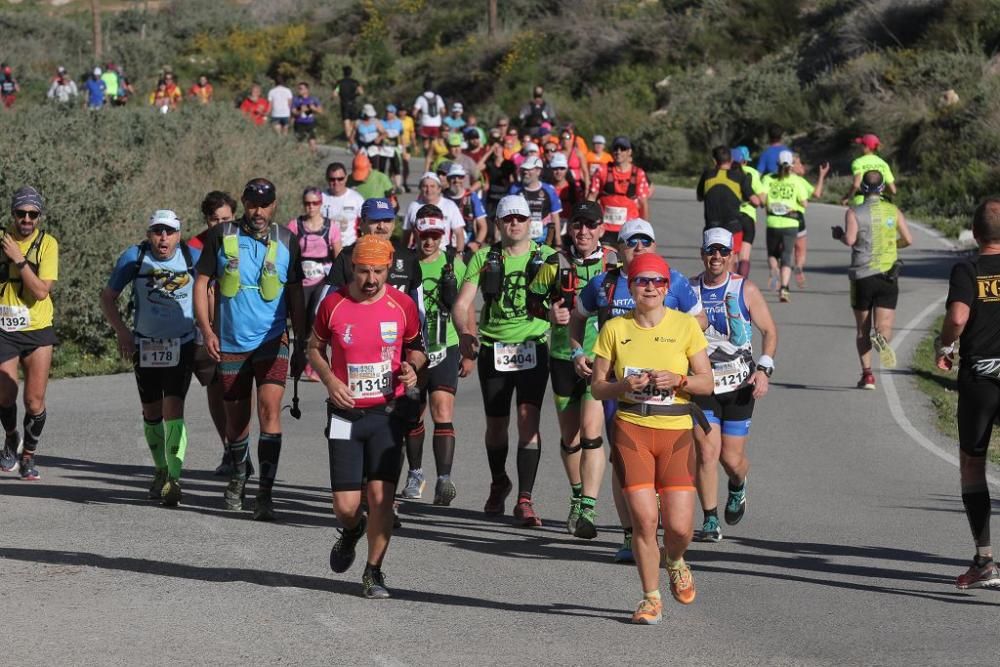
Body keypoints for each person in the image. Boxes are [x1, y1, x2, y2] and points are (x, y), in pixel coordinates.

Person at [572, 217, 706, 562]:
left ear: (655, 246)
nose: (639, 249)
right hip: (622, 387)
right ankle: (632, 535)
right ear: (619, 249)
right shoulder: (604, 282)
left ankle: (657, 531)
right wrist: (578, 352)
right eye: (632, 243)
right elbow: (578, 316)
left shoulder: (672, 280)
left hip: (667, 392)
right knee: (622, 461)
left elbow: (699, 320)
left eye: (645, 242)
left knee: (663, 468)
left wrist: (678, 349)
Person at [590, 251, 714, 625]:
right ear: (631, 285)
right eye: (642, 281)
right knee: (644, 522)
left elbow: (706, 383)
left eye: (657, 282)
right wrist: (623, 385)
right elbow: (597, 388)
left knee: (679, 528)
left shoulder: (685, 326)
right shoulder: (615, 328)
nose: (650, 288)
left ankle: (675, 559)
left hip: (676, 431)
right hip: (632, 429)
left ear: (666, 287)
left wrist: (678, 381)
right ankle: (650, 597)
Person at [310, 234, 425, 599]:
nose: (371, 279)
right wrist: (329, 380)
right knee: (346, 507)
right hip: (346, 414)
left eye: (378, 271)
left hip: (388, 414)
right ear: (351, 269)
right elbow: (314, 348)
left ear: (389, 268)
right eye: (363, 271)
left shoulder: (402, 305)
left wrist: (412, 368)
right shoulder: (333, 304)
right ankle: (351, 529)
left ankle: (373, 571)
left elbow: (417, 349)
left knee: (381, 500)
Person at [193, 179, 307, 521]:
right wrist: (207, 330)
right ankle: (240, 475)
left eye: (266, 205)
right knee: (237, 420)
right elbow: (201, 284)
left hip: (273, 341)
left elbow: (296, 295)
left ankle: (265, 493)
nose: (259, 212)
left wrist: (301, 342)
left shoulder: (288, 241)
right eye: (253, 204)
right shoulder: (221, 235)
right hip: (230, 343)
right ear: (244, 202)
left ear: (274, 205)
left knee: (270, 411)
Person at [452, 195, 555, 526]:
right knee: (496, 426)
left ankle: (525, 500)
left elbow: (571, 294)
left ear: (530, 223)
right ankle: (500, 481)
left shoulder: (549, 257)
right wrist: (465, 333)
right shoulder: (484, 257)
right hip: (494, 348)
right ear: (497, 224)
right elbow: (461, 302)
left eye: (520, 218)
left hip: (532, 346)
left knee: (528, 420)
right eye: (508, 219)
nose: (515, 224)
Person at [527, 202, 617, 538]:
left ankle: (588, 511)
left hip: (601, 359)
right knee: (571, 437)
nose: (583, 232)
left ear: (601, 229)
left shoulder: (613, 263)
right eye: (577, 225)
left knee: (592, 432)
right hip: (563, 357)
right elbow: (530, 299)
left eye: (590, 226)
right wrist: (549, 313)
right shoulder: (556, 262)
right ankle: (577, 494)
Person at [100, 210, 200, 506]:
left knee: (174, 410)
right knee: (152, 413)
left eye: (169, 232)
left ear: (179, 234)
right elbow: (107, 297)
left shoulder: (192, 257)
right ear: (149, 234)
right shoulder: (134, 257)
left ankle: (174, 478)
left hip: (181, 344)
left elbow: (211, 290)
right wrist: (122, 332)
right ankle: (160, 469)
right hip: (145, 346)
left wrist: (208, 329)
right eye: (157, 231)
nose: (163, 238)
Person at [690, 228, 777, 542]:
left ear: (731, 256)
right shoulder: (689, 290)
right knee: (706, 452)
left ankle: (738, 484)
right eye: (711, 251)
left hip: (740, 383)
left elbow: (769, 331)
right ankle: (710, 519)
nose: (716, 257)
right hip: (704, 382)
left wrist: (765, 369)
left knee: (731, 459)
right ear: (702, 253)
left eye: (723, 252)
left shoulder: (745, 289)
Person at [935, 197, 1000, 589]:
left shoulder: (969, 270)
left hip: (981, 377)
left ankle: (985, 561)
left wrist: (945, 346)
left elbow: (958, 317)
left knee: (973, 464)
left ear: (975, 233)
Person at [399, 206, 470, 504]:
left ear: (442, 235)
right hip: (414, 349)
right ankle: (416, 473)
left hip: (446, 344)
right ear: (415, 233)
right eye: (423, 235)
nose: (428, 241)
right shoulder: (404, 263)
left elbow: (465, 307)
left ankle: (444, 480)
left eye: (434, 236)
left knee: (443, 410)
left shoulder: (454, 264)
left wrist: (469, 346)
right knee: (413, 413)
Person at [832, 170, 912, 390]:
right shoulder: (893, 210)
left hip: (862, 277)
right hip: (888, 275)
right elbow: (908, 239)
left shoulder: (854, 212)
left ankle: (867, 375)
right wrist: (891, 245)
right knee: (883, 325)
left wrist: (838, 234)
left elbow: (850, 239)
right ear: (883, 188)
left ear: (862, 189)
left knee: (862, 329)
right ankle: (882, 340)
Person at [0, 187, 57, 481]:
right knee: (4, 394)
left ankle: (28, 456)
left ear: (38, 216)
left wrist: (18, 259)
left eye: (32, 214)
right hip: (3, 330)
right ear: (13, 214)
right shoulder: (2, 239)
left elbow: (40, 291)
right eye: (21, 213)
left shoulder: (47, 244)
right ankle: (11, 437)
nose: (26, 219)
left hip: (37, 329)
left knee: (34, 401)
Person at [188, 191, 237, 476]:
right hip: (205, 330)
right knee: (216, 388)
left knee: (238, 390)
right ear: (206, 220)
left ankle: (239, 446)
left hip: (238, 328)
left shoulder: (243, 240)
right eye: (214, 220)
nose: (220, 226)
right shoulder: (193, 247)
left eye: (226, 219)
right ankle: (229, 447)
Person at [326, 198, 423, 311]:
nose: (381, 226)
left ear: (393, 225)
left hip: (396, 328)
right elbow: (326, 305)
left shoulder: (408, 258)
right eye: (375, 220)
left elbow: (418, 309)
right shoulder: (346, 256)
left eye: (387, 220)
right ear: (362, 224)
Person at [286, 187, 342, 382]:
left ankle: (312, 364)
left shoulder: (331, 226)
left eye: (315, 203)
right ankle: (298, 357)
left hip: (321, 281)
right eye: (307, 203)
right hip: (301, 281)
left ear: (321, 204)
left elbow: (339, 257)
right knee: (299, 324)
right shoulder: (295, 225)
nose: (311, 207)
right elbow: (287, 254)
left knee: (314, 321)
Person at [761, 150, 814, 302]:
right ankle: (784, 288)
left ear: (777, 164)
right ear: (791, 165)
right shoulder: (796, 181)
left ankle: (773, 269)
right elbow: (804, 203)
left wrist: (772, 202)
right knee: (786, 256)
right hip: (791, 222)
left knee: (772, 253)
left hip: (773, 221)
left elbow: (763, 198)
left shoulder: (768, 179)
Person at [696, 145, 759, 266]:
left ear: (714, 161)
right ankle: (732, 283)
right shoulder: (739, 176)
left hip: (711, 226)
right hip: (733, 226)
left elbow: (700, 197)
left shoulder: (707, 175)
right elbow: (755, 201)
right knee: (730, 260)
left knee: (713, 262)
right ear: (731, 160)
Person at [588, 136, 651, 245]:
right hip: (605, 229)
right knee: (606, 260)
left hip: (630, 228)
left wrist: (644, 229)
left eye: (622, 149)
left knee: (628, 260)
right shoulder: (602, 170)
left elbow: (643, 203)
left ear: (629, 152)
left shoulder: (638, 173)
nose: (618, 152)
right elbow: (591, 197)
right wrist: (589, 222)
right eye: (615, 149)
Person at [789, 154, 830, 288]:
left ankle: (779, 271)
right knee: (800, 249)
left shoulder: (776, 179)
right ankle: (799, 267)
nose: (802, 166)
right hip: (797, 217)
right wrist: (822, 176)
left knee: (783, 249)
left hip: (777, 218)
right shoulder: (799, 181)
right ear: (791, 166)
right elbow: (817, 194)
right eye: (799, 164)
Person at [401, 172, 466, 252]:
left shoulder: (450, 205)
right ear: (421, 188)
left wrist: (459, 253)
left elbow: (459, 233)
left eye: (432, 186)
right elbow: (406, 234)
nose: (429, 190)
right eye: (425, 186)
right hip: (419, 253)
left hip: (444, 253)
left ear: (439, 189)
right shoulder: (413, 206)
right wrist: (403, 253)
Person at [508, 156, 562, 248]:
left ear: (538, 171)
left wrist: (558, 242)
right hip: (520, 238)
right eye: (524, 169)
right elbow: (507, 214)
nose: (525, 172)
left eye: (529, 169)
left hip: (544, 239)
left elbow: (555, 216)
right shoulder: (514, 189)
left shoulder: (549, 190)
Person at [729, 146, 765, 278]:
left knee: (732, 255)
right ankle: (742, 283)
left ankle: (730, 285)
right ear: (744, 161)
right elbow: (762, 198)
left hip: (731, 217)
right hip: (748, 217)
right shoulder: (752, 173)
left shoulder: (728, 173)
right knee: (745, 255)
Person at [443, 164, 487, 258]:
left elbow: (483, 226)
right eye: (453, 177)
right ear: (448, 179)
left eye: (460, 177)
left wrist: (477, 243)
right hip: (445, 247)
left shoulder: (471, 197)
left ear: (464, 179)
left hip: (467, 247)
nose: (457, 181)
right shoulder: (442, 197)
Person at [479, 130, 517, 236]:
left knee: (502, 228)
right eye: (494, 148)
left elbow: (514, 180)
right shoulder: (489, 164)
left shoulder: (508, 164)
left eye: (498, 148)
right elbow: (477, 167)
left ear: (502, 149)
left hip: (504, 197)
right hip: (491, 199)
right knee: (491, 228)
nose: (496, 150)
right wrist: (489, 151)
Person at [842, 134, 897, 206]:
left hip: (862, 202)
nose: (859, 147)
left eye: (861, 144)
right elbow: (893, 190)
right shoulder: (883, 164)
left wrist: (847, 197)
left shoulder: (858, 162)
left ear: (866, 147)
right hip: (879, 203)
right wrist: (879, 190)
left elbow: (856, 185)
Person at [321, 162, 366, 247]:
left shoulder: (357, 199)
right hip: (326, 249)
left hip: (349, 248)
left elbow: (367, 224)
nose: (336, 182)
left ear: (346, 178)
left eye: (340, 179)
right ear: (327, 179)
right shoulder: (320, 198)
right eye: (332, 179)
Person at [413, 87, 446, 167]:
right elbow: (443, 111)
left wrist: (417, 120)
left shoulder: (421, 98)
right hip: (437, 124)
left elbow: (414, 112)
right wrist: (441, 119)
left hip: (425, 123)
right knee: (435, 142)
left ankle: (428, 158)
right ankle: (434, 158)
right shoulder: (438, 97)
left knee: (426, 144)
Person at [333, 66, 363, 144]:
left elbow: (335, 94)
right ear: (351, 73)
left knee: (347, 124)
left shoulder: (339, 83)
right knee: (354, 124)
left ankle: (350, 142)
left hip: (344, 105)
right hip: (353, 104)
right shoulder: (355, 82)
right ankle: (354, 141)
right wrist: (354, 95)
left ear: (343, 73)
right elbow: (361, 92)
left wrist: (336, 97)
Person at [380, 104, 406, 191]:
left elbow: (402, 136)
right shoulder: (381, 122)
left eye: (390, 112)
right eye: (387, 112)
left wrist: (403, 148)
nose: (388, 114)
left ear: (394, 113)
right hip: (383, 148)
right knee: (382, 167)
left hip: (394, 148)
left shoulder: (399, 123)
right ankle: (382, 185)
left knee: (396, 167)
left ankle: (397, 185)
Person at [292, 82, 323, 153]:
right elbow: (293, 112)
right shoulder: (296, 99)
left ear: (307, 90)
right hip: (299, 123)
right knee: (299, 143)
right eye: (298, 89)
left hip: (310, 123)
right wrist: (300, 111)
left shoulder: (314, 99)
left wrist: (314, 108)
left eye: (301, 89)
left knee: (312, 142)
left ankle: (314, 158)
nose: (299, 90)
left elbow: (321, 111)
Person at [559, 128, 590, 194]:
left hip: (577, 185)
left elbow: (585, 172)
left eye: (567, 137)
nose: (565, 140)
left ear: (571, 139)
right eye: (562, 138)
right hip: (563, 185)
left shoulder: (578, 153)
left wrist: (587, 188)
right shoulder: (558, 154)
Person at [398, 106, 416, 189]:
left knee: (406, 164)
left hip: (407, 144)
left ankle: (405, 182)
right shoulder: (396, 120)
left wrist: (415, 144)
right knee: (396, 165)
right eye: (400, 111)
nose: (402, 112)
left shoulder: (409, 120)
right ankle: (395, 184)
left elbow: (412, 133)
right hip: (397, 145)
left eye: (404, 110)